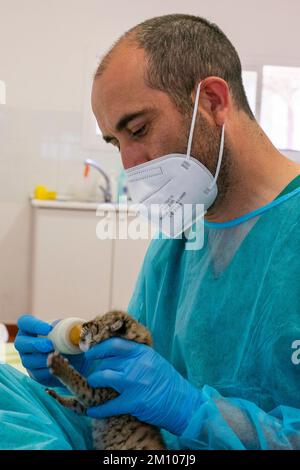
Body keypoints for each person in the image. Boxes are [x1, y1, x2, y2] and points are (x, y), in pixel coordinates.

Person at [9, 13, 300, 449]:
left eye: (139, 129)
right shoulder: (178, 241)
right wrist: (82, 369)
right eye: (115, 142)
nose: (129, 164)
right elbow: (139, 378)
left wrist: (191, 410)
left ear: (215, 101)